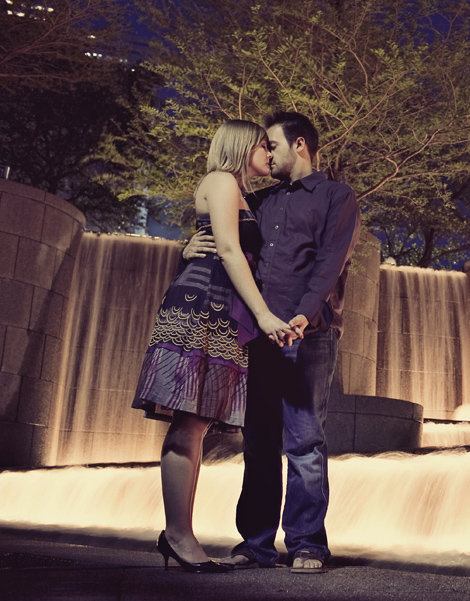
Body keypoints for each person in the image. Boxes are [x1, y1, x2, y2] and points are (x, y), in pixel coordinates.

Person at [183, 111, 361, 574]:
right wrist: (190, 245)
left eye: (273, 146)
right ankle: (256, 543)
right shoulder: (258, 201)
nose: (267, 153)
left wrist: (303, 313)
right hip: (259, 334)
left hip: (311, 333)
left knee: (305, 440)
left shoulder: (336, 197)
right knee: (259, 440)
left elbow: (330, 263)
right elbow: (229, 244)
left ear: (299, 144)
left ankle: (307, 543)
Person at [132, 120, 296, 573]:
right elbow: (226, 248)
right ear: (244, 145)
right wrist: (263, 315)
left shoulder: (239, 191)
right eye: (264, 145)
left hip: (220, 309)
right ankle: (178, 535)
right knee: (188, 422)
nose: (269, 152)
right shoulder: (222, 180)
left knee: (197, 423)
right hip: (203, 304)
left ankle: (180, 533)